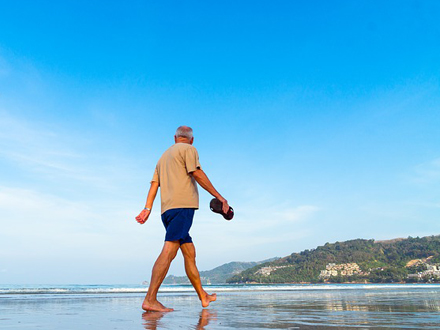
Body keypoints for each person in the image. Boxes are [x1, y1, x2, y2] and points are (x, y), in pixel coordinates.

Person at [135, 126, 230, 312]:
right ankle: (150, 299)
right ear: (191, 140)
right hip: (182, 207)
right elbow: (197, 173)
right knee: (169, 251)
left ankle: (203, 296)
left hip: (167, 211)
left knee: (189, 253)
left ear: (175, 138)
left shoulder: (162, 158)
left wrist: (147, 208)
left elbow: (154, 186)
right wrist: (220, 197)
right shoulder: (189, 150)